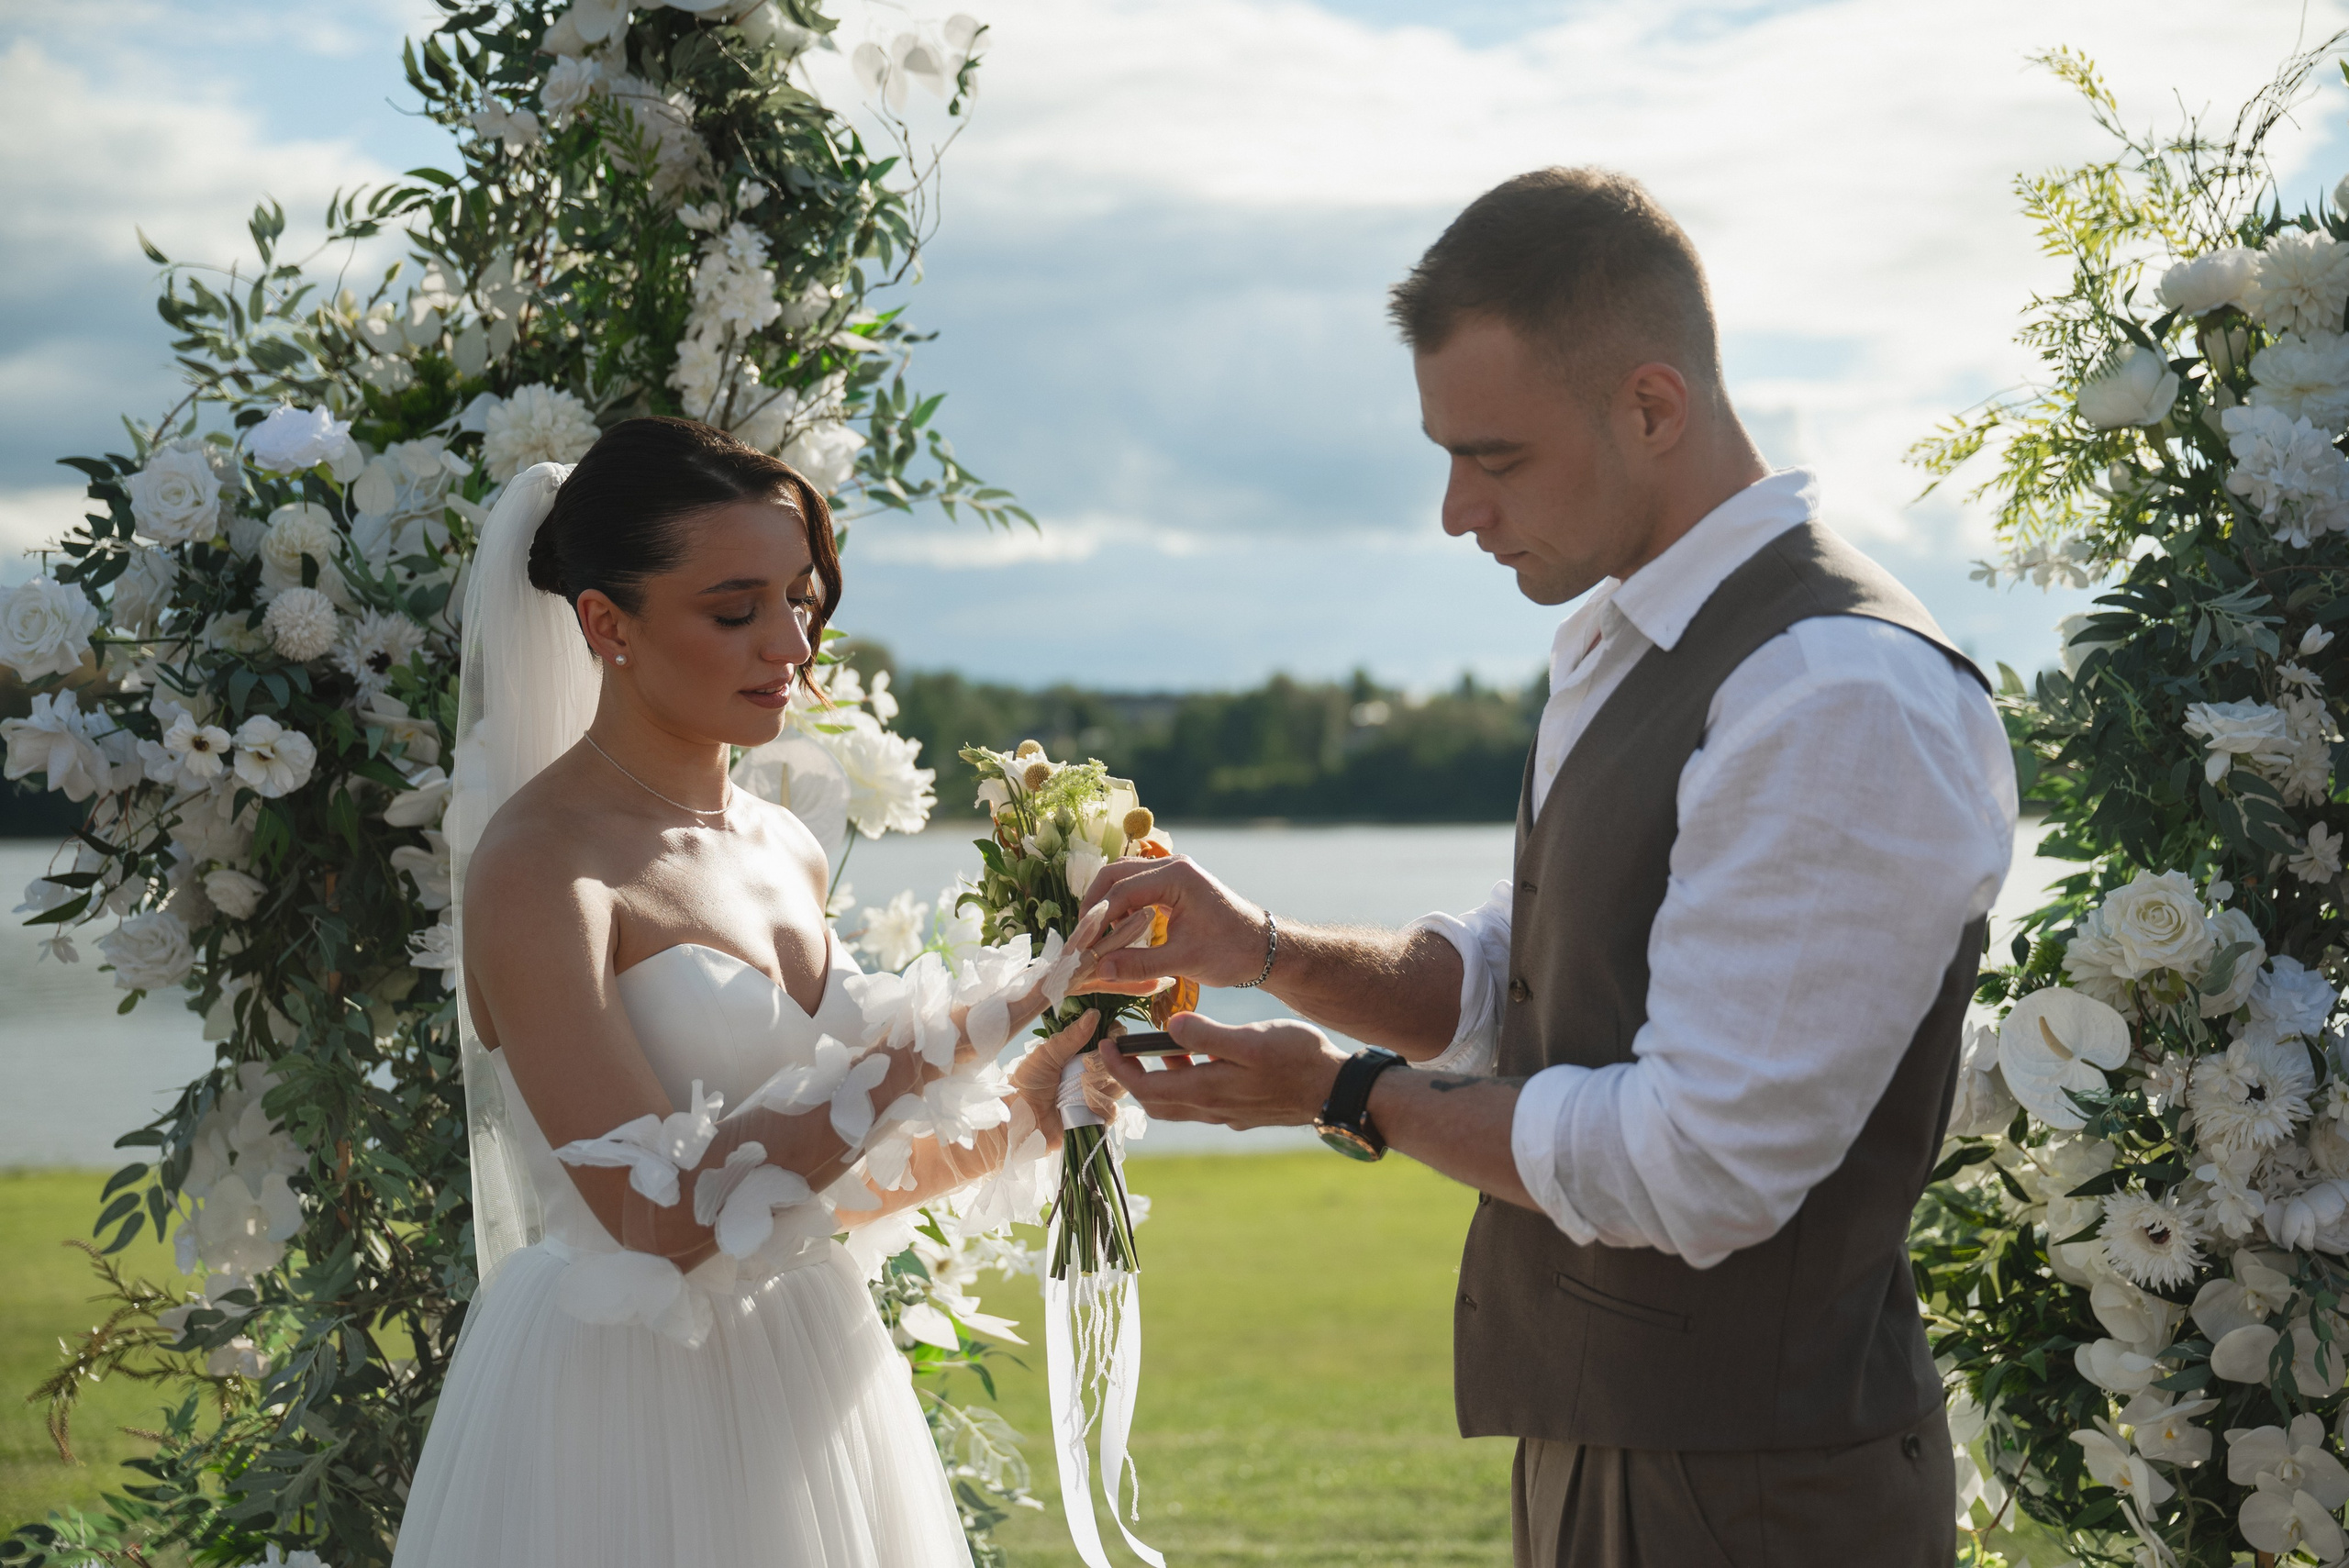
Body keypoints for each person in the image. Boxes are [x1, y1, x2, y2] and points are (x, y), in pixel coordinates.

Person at [1088, 168, 2018, 1567]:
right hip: (1607, 1442)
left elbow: (1699, 1165)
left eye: (1497, 456)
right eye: (1447, 454)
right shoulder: (1626, 641)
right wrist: (1259, 945)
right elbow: (1518, 972)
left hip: (1758, 1493)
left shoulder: (1836, 692)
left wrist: (1340, 1093)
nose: (1458, 510)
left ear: (1651, 406)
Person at [391, 417, 1141, 1568]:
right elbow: (657, 1216)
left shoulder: (782, 841)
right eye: (734, 609)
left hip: (813, 1364)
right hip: (630, 1404)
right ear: (607, 623)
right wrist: (954, 1034)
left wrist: (1040, 1092)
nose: (789, 641)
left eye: (802, 596)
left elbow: (818, 1186)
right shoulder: (542, 867)